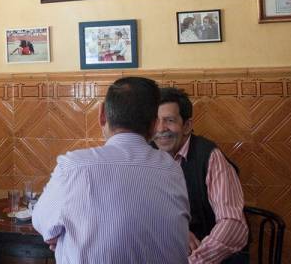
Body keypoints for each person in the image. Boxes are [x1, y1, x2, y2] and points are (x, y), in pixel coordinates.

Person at [31, 77, 190, 263]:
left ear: (102, 115)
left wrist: (66, 239)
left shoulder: (74, 167)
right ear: (155, 124)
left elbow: (44, 226)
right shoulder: (172, 168)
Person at [154, 88, 248, 264]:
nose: (160, 129)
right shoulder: (148, 154)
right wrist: (176, 229)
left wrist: (196, 259)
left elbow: (233, 225)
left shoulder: (209, 156)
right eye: (156, 121)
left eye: (170, 120)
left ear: (187, 126)